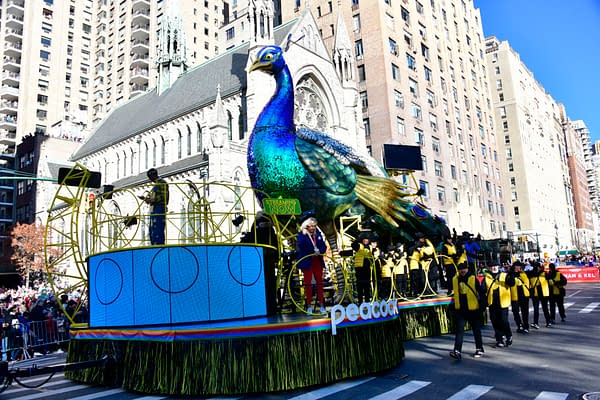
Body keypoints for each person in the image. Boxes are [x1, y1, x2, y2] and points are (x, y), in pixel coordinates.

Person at [449, 263, 485, 360]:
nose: (462, 271)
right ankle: (457, 351)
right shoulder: (455, 279)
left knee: (476, 330)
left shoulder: (473, 278)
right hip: (461, 310)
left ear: (467, 269)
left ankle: (479, 348)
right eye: (460, 269)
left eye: (464, 269)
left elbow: (481, 292)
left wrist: (482, 307)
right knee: (459, 331)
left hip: (473, 309)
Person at [295, 217, 327, 314]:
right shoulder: (302, 235)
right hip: (307, 261)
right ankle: (308, 305)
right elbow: (301, 245)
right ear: (306, 226)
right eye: (310, 226)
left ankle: (322, 305)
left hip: (317, 261)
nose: (313, 228)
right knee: (308, 284)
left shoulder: (318, 234)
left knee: (320, 283)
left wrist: (320, 251)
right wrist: (312, 250)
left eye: (314, 226)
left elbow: (323, 246)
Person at [483, 263, 515, 347]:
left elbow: (511, 283)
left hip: (503, 302)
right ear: (488, 268)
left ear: (498, 267)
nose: (493, 268)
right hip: (492, 303)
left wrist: (511, 274)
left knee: (504, 320)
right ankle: (499, 339)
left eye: (495, 266)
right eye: (491, 266)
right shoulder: (486, 278)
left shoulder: (504, 275)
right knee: (495, 321)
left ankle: (509, 335)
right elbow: (482, 290)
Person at [140, 168, 169, 245]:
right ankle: (154, 243)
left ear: (153, 176)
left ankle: (158, 244)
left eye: (150, 178)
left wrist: (150, 200)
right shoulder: (157, 184)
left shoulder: (162, 183)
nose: (150, 180)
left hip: (159, 208)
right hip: (155, 208)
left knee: (158, 228)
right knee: (153, 228)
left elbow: (162, 197)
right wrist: (147, 199)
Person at [528, 262, 551, 328]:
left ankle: (547, 321)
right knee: (538, 309)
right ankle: (537, 323)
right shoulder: (539, 273)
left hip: (542, 293)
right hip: (537, 293)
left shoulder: (544, 273)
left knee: (544, 308)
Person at [510, 261, 531, 334]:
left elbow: (527, 283)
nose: (518, 267)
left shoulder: (524, 274)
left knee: (525, 311)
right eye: (517, 266)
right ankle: (519, 325)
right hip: (514, 296)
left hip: (524, 295)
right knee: (515, 311)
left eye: (519, 266)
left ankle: (526, 326)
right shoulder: (510, 274)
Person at [352, 233, 373, 303]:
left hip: (367, 268)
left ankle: (367, 301)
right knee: (360, 286)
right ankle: (360, 302)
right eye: (364, 239)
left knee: (367, 286)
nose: (366, 240)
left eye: (367, 239)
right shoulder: (359, 246)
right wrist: (357, 239)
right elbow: (353, 245)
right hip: (360, 268)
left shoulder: (370, 247)